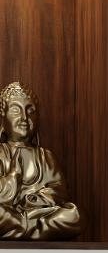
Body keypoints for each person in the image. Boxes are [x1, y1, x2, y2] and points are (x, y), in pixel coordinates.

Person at [0, 81, 81, 240]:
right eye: (16, 110)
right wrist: (13, 176)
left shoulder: (45, 156)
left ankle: (19, 229)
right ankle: (31, 230)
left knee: (75, 215)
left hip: (36, 213)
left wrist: (32, 200)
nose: (24, 117)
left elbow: (59, 191)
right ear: (2, 117)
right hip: (8, 215)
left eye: (30, 111)